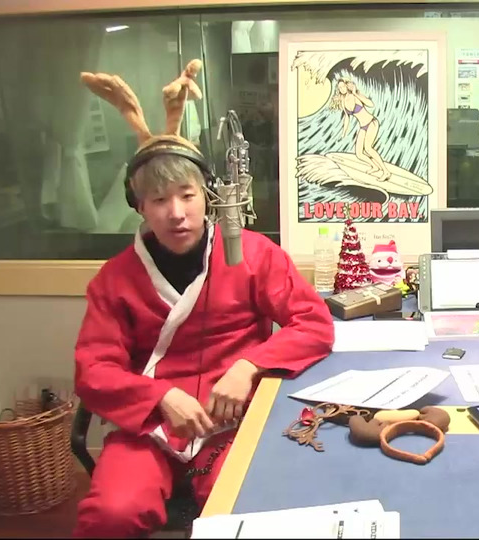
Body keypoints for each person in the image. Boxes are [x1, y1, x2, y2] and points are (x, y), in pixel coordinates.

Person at [73, 61, 335, 538]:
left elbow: (314, 324)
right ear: (139, 206)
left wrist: (249, 365)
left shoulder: (254, 254)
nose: (176, 213)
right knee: (112, 513)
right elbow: (94, 371)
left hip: (233, 421)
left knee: (244, 511)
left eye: (186, 195)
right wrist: (160, 395)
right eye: (159, 201)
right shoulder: (115, 279)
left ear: (207, 196)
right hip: (151, 424)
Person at [331, 78, 390, 180]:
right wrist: (344, 132)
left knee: (368, 148)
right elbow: (347, 118)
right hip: (363, 126)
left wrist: (355, 93)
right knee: (359, 153)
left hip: (371, 123)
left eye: (343, 86)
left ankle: (386, 171)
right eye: (340, 88)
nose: (342, 89)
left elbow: (371, 104)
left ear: (347, 86)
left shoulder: (354, 96)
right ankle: (375, 166)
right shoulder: (343, 101)